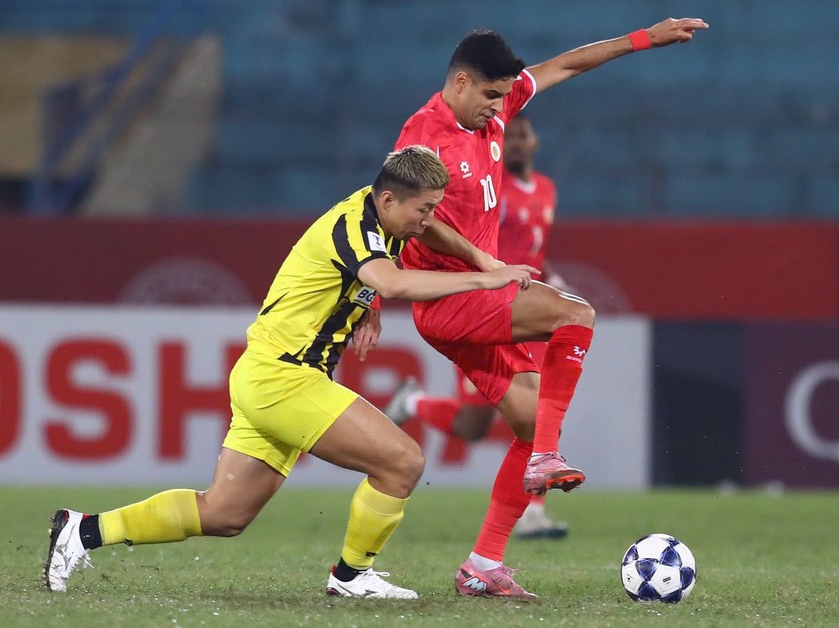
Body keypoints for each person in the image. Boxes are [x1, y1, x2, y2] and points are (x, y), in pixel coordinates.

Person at [43, 146, 538, 598]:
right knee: (401, 462)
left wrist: (452, 263)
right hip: (285, 378)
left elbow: (400, 253)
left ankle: (81, 531)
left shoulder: (379, 216)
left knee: (225, 513)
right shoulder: (355, 227)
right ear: (389, 199)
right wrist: (484, 277)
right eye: (423, 208)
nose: (428, 220)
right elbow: (391, 281)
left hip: (267, 375)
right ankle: (350, 576)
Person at [391, 19, 708, 599]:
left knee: (525, 420)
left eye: (502, 96)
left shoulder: (498, 104)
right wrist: (482, 266)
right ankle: (545, 457)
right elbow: (408, 218)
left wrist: (641, 39)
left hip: (476, 294)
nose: (499, 108)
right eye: (489, 95)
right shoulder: (423, 137)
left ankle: (482, 565)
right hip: (450, 296)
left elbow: (566, 64)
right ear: (460, 83)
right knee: (576, 315)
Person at [386, 115, 568, 540]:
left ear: (536, 141)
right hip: (483, 304)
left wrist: (553, 279)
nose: (520, 142)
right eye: (514, 136)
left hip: (526, 303)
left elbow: (533, 250)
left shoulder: (546, 189)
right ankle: (413, 403)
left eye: (526, 134)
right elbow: (473, 241)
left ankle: (533, 510)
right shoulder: (491, 190)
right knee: (473, 426)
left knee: (540, 410)